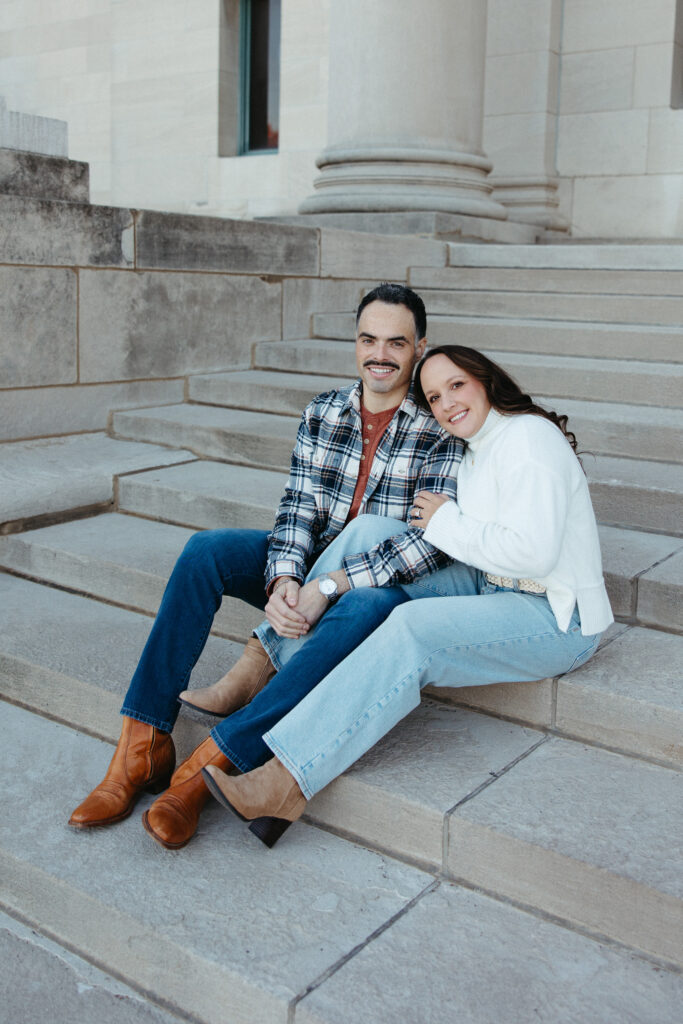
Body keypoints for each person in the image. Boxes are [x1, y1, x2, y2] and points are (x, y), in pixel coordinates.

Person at [68, 284, 465, 849]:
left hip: (367, 586)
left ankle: (211, 766)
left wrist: (327, 584)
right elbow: (298, 507)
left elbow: (429, 544)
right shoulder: (325, 411)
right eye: (368, 339)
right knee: (207, 550)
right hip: (309, 569)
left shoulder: (439, 429)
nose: (380, 354)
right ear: (355, 342)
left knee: (370, 607)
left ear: (419, 348)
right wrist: (283, 579)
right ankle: (142, 744)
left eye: (396, 343)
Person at [202, 345, 615, 847]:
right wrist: (336, 578)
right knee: (369, 528)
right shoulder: (480, 441)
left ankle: (284, 781)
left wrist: (445, 521)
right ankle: (270, 659)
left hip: (555, 616)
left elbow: (533, 554)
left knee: (410, 630)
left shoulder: (529, 439)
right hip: (492, 583)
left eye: (457, 386)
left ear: (485, 380)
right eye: (435, 396)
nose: (446, 404)